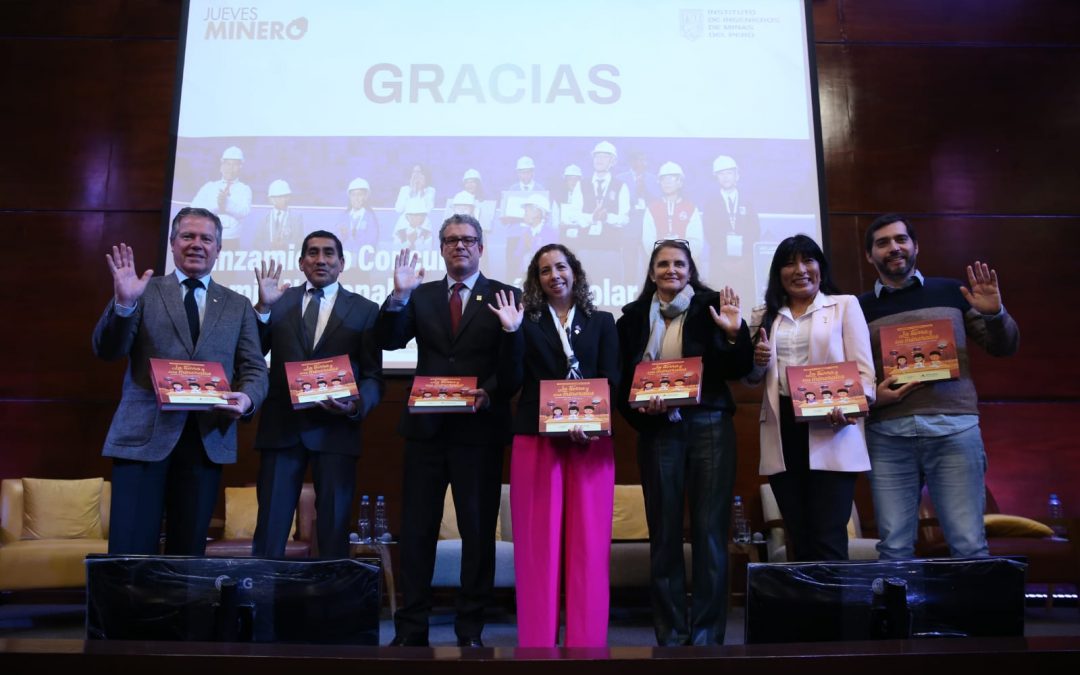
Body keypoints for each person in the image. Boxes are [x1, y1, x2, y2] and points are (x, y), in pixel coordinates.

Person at [376, 214, 524, 647]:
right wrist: (399, 297)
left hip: (479, 432)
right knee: (418, 530)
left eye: (468, 240)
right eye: (451, 240)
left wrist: (491, 391)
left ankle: (470, 630)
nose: (460, 246)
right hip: (426, 431)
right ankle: (411, 629)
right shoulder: (420, 296)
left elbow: (513, 372)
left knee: (477, 533)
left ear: (481, 248)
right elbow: (390, 340)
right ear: (442, 248)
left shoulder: (506, 296)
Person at [92, 207, 268, 555]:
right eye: (188, 236)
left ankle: (183, 613)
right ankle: (126, 613)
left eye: (206, 238)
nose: (197, 244)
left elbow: (255, 368)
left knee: (187, 556)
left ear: (218, 248)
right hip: (144, 438)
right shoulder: (143, 290)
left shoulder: (237, 304)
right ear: (172, 244)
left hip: (206, 440)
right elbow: (107, 349)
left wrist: (246, 399)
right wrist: (124, 305)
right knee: (129, 552)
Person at [615, 239, 752, 646]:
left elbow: (738, 368)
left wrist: (732, 334)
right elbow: (622, 382)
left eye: (679, 264)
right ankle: (671, 635)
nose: (671, 270)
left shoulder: (713, 308)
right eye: (663, 264)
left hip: (709, 424)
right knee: (665, 532)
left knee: (710, 532)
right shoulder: (632, 319)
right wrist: (642, 413)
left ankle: (708, 636)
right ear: (652, 271)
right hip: (659, 432)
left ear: (690, 271)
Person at [858, 214, 1019, 559]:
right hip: (888, 436)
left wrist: (994, 313)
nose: (894, 248)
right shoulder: (857, 308)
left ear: (916, 246)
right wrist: (872, 394)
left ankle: (973, 616)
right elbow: (852, 374)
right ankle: (899, 616)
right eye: (882, 243)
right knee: (894, 548)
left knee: (969, 544)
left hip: (954, 430)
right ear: (869, 256)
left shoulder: (953, 292)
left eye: (901, 239)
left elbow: (1003, 347)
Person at [488, 243, 619, 648]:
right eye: (544, 270)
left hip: (591, 443)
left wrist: (589, 423)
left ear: (574, 272)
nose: (554, 275)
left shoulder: (602, 321)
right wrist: (510, 333)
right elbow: (509, 382)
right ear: (536, 280)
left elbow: (611, 378)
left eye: (560, 267)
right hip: (535, 440)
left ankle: (586, 645)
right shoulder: (524, 322)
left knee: (590, 549)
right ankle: (537, 646)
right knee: (537, 550)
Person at [249, 230, 384, 559]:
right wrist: (263, 309)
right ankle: (262, 610)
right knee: (270, 529)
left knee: (335, 533)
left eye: (328, 253)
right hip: (282, 431)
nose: (320, 259)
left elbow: (373, 377)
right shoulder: (277, 301)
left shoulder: (366, 310)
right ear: (301, 262)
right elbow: (251, 352)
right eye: (312, 253)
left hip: (336, 431)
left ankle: (329, 611)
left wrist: (355, 405)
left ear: (342, 263)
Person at [745, 234, 875, 562]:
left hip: (833, 425)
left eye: (808, 260)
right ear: (778, 273)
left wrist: (851, 407)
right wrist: (756, 362)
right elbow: (752, 379)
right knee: (798, 537)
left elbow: (864, 372)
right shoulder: (764, 315)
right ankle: (805, 614)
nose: (800, 269)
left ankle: (835, 614)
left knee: (829, 537)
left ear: (820, 266)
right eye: (789, 263)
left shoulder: (844, 305)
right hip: (782, 430)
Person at [641, 162, 705, 258]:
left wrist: (681, 257)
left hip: (685, 264)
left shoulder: (690, 209)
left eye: (672, 178)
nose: (667, 182)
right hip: (659, 264)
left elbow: (696, 241)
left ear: (680, 182)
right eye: (664, 179)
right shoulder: (652, 209)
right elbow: (648, 240)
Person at [190, 146, 252, 241]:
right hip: (209, 238)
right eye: (227, 164)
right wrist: (217, 205)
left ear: (240, 167)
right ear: (221, 166)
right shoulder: (209, 187)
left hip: (232, 241)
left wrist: (226, 203)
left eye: (234, 165)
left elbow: (244, 212)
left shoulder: (244, 189)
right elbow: (194, 208)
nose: (230, 168)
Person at [258, 179, 303, 250]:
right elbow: (257, 243)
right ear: (270, 199)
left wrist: (286, 246)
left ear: (288, 198)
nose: (282, 200)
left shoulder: (296, 218)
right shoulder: (264, 218)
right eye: (277, 197)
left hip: (288, 257)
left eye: (284, 196)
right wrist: (269, 245)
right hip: (268, 257)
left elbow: (300, 242)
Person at [340, 177, 380, 251]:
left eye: (360, 195)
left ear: (365, 197)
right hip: (346, 257)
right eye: (353, 195)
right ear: (350, 197)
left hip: (363, 259)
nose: (356, 198)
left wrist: (357, 235)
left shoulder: (370, 217)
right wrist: (343, 236)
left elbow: (372, 241)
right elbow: (335, 240)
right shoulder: (344, 217)